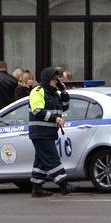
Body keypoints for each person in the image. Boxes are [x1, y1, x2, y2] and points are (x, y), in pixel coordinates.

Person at [28, 67, 73, 197]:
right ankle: (64, 184)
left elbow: (65, 106)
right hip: (40, 132)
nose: (56, 82)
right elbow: (37, 111)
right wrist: (56, 118)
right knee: (52, 158)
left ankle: (37, 188)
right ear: (47, 79)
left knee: (41, 161)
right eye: (54, 79)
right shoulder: (37, 91)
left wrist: (63, 91)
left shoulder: (54, 94)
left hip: (48, 132)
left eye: (57, 79)